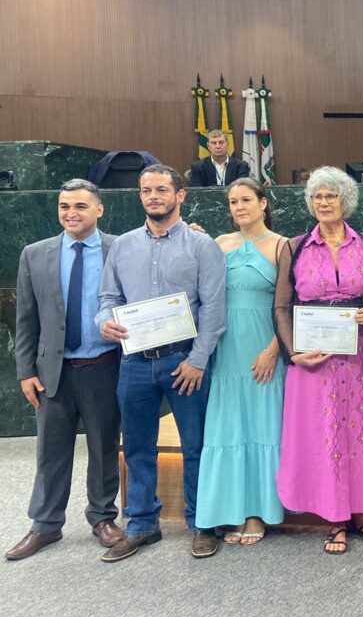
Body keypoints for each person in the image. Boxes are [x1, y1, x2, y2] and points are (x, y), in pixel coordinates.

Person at [96, 164, 227, 561]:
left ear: (180, 195)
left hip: (184, 362)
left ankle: (201, 521)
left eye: (161, 190)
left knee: (196, 446)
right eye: (146, 190)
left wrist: (198, 359)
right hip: (134, 362)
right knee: (136, 447)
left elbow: (214, 310)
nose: (153, 196)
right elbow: (107, 298)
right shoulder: (122, 246)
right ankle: (141, 525)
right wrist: (104, 322)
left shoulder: (202, 246)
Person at [273, 166, 363, 554]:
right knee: (324, 435)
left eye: (330, 196)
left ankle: (362, 514)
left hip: (361, 358)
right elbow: (280, 306)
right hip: (313, 361)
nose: (323, 202)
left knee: (360, 432)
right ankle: (334, 519)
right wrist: (294, 352)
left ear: (345, 201)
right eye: (317, 196)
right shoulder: (293, 247)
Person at [6, 179, 123, 561]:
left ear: (99, 209)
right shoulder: (34, 254)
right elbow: (25, 320)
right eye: (64, 206)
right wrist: (25, 371)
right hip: (52, 370)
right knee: (51, 451)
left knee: (104, 447)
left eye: (80, 206)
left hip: (104, 367)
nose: (71, 213)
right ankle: (45, 524)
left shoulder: (118, 249)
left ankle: (103, 517)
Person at [195, 179, 287, 546]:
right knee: (229, 430)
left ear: (263, 203)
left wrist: (273, 349)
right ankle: (230, 510)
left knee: (262, 429)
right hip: (227, 352)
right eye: (233, 201)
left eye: (246, 199)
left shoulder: (282, 246)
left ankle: (258, 512)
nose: (239, 207)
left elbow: (288, 305)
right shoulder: (218, 244)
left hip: (264, 350)